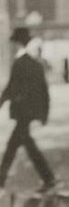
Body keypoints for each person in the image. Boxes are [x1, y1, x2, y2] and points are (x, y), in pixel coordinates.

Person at [0, 27, 56, 192]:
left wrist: (1, 101)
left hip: (22, 113)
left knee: (13, 146)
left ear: (17, 44)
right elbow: (44, 91)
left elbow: (11, 88)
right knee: (25, 145)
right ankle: (48, 178)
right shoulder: (34, 64)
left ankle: (1, 180)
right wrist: (44, 113)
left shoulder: (20, 63)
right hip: (30, 113)